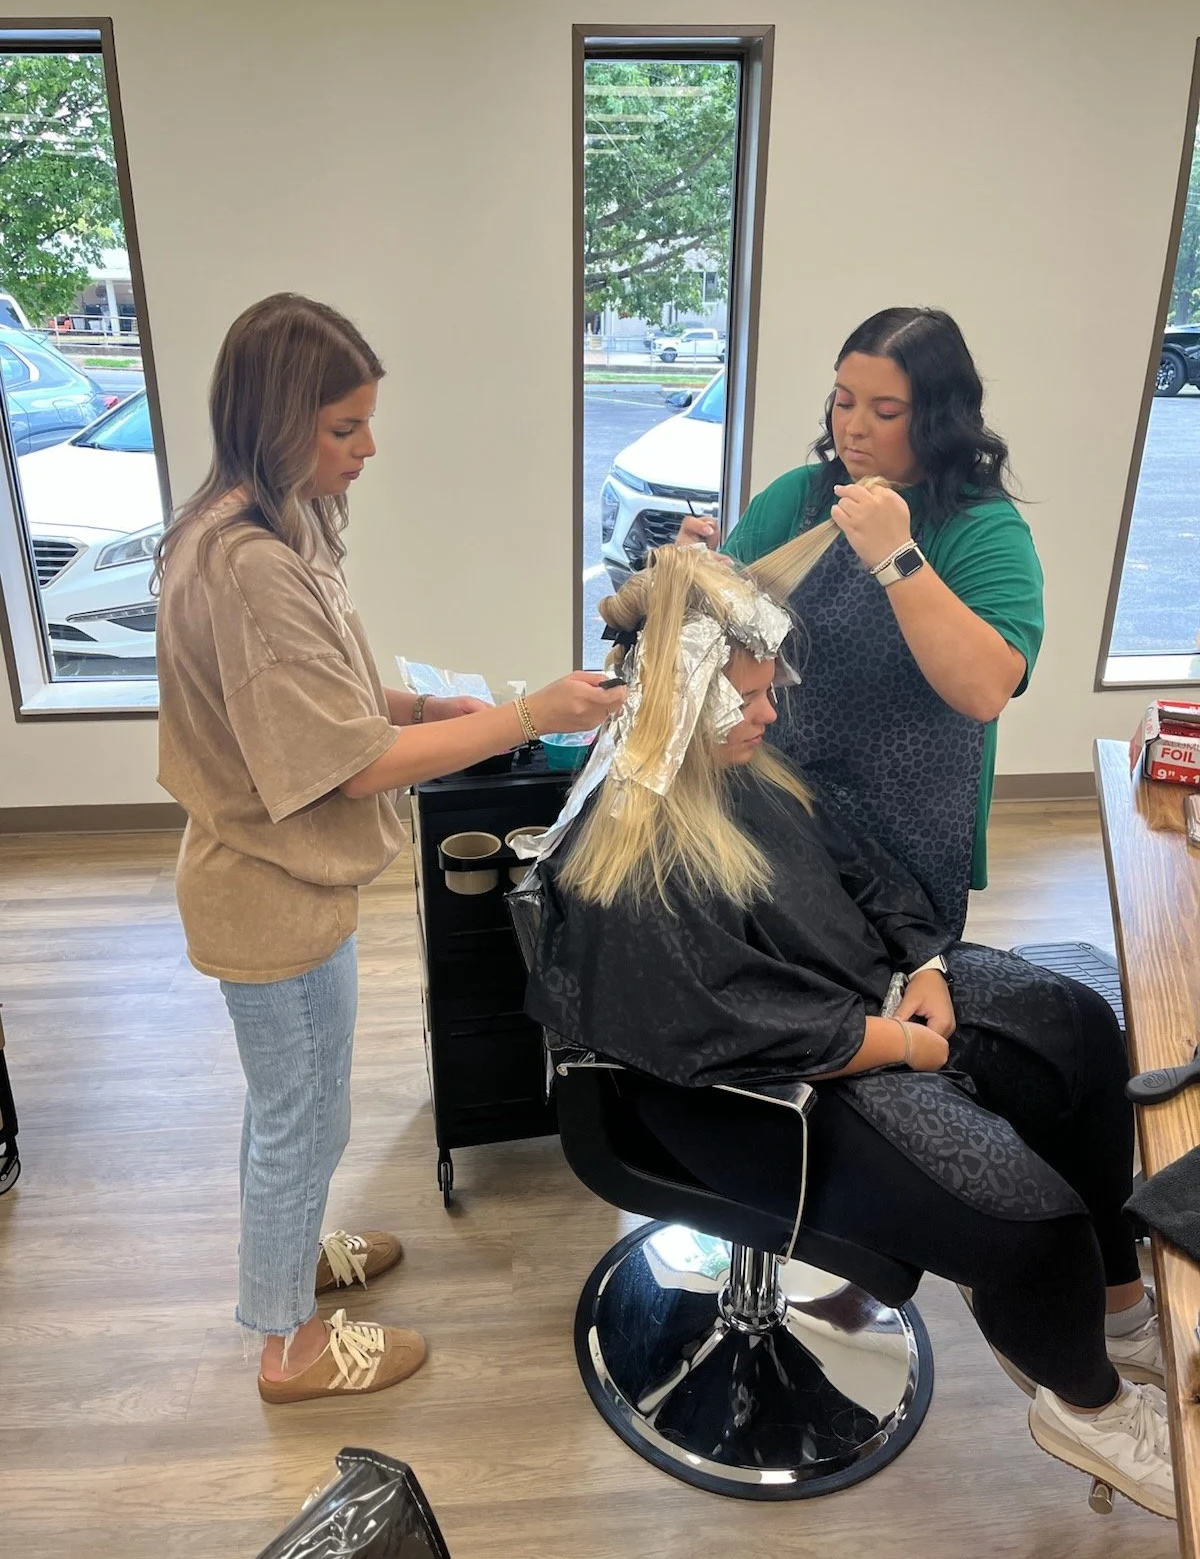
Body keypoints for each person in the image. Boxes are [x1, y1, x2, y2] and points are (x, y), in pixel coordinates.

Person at [526, 545, 1172, 1519]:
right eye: (745, 697)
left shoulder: (736, 760)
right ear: (685, 693)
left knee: (1079, 1032)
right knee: (1027, 1223)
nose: (770, 713)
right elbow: (728, 1019)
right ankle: (1088, 1403)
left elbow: (859, 864)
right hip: (761, 1092)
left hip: (859, 999)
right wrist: (904, 1045)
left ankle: (1113, 1309)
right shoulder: (629, 853)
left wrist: (924, 964)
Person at [154, 293, 625, 1404]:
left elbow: (330, 695)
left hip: (287, 885)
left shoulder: (264, 521)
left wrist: (419, 702)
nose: (368, 450)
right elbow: (346, 760)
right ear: (276, 422)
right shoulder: (247, 564)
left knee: (311, 1105)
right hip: (264, 893)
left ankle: (293, 1257)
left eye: (366, 423)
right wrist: (525, 711)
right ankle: (287, 1345)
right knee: (299, 1113)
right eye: (343, 429)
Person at [677, 307, 1043, 935]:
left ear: (939, 417)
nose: (854, 429)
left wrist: (897, 560)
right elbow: (717, 634)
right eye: (844, 402)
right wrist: (689, 578)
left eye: (886, 412)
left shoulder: (982, 531)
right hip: (782, 800)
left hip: (906, 821)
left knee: (894, 981)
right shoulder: (798, 499)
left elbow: (986, 691)